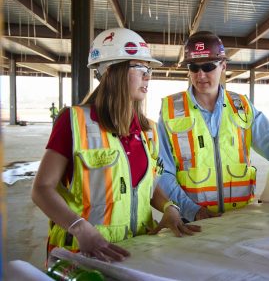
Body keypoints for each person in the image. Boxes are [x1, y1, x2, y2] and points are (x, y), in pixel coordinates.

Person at [32, 28, 200, 263]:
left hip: (135, 253)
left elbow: (146, 187)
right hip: (82, 256)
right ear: (112, 71)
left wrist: (169, 208)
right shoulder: (73, 121)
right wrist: (80, 228)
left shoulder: (148, 131)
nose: (148, 76)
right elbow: (41, 189)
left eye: (149, 70)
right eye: (140, 68)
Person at [157, 31, 269, 222]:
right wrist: (191, 211)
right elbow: (164, 172)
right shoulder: (170, 111)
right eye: (194, 67)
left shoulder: (242, 106)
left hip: (240, 219)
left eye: (208, 66)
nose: (200, 74)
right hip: (194, 221)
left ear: (223, 66)